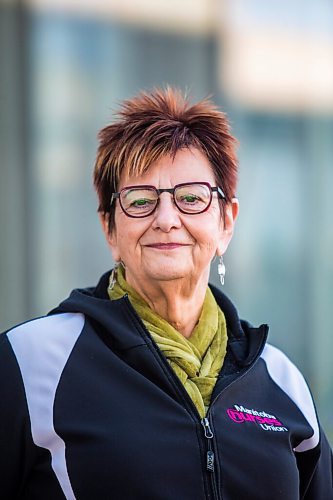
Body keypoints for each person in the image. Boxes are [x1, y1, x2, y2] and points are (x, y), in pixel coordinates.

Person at [0, 87, 332, 500]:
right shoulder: (30, 365)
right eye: (140, 201)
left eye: (191, 198)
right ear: (110, 229)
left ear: (226, 222)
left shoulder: (281, 379)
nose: (167, 219)